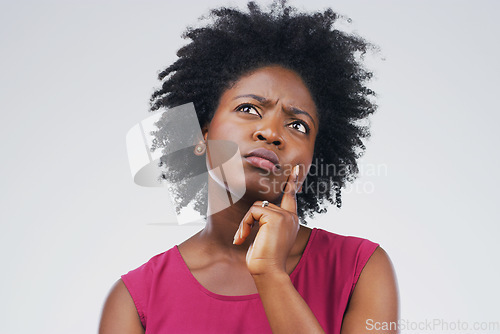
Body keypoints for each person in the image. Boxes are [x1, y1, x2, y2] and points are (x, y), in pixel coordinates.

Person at [99, 2, 399, 333]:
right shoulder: (134, 300)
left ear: (312, 161)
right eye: (249, 108)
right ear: (203, 135)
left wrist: (271, 275)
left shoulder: (360, 268)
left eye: (298, 125)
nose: (271, 133)